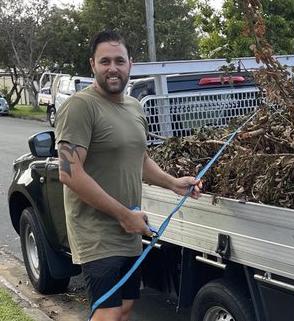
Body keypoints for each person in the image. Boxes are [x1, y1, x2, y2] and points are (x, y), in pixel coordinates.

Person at [55, 30, 202, 321]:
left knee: (124, 308)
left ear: (130, 64)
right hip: (96, 232)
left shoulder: (134, 107)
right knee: (108, 313)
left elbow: (140, 158)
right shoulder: (80, 107)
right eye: (105, 61)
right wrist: (123, 215)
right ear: (92, 65)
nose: (113, 68)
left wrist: (173, 183)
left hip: (129, 229)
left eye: (119, 61)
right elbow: (69, 173)